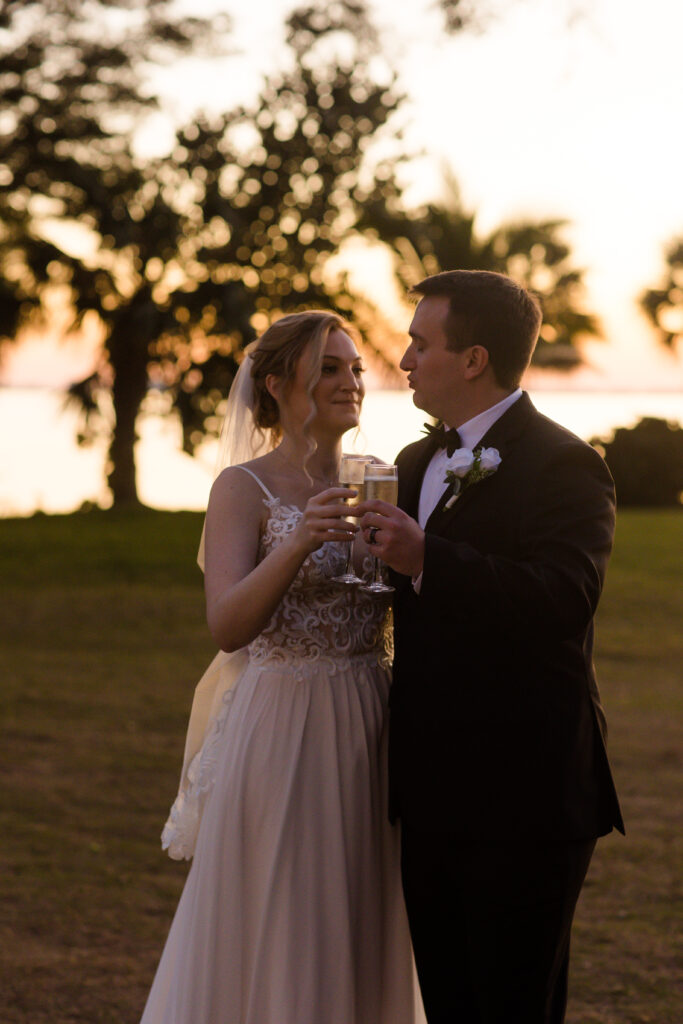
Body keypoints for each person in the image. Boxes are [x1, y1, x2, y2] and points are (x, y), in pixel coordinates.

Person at [356, 270, 624, 1024]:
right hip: (429, 787)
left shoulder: (564, 463)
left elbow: (563, 598)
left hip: (526, 794)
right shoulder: (408, 467)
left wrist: (426, 559)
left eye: (418, 342)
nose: (403, 359)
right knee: (446, 1002)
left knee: (512, 1006)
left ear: (472, 359)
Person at [140, 311, 418, 1024]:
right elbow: (228, 626)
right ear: (276, 384)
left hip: (368, 714)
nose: (350, 381)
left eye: (354, 367)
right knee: (287, 903)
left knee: (361, 901)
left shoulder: (384, 477)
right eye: (328, 367)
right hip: (281, 723)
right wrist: (298, 544)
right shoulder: (243, 487)